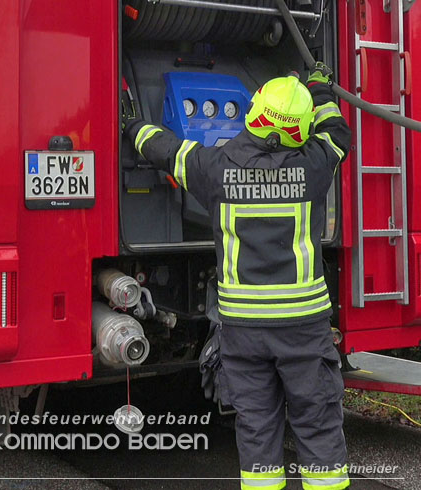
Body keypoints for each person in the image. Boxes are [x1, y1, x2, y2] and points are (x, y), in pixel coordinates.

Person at [124, 63, 351, 490]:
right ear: (300, 130)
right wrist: (319, 88)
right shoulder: (316, 164)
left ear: (255, 112)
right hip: (303, 329)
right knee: (317, 423)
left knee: (257, 426)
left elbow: (165, 148)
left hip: (244, 331)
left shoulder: (215, 166)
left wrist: (131, 125)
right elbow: (338, 132)